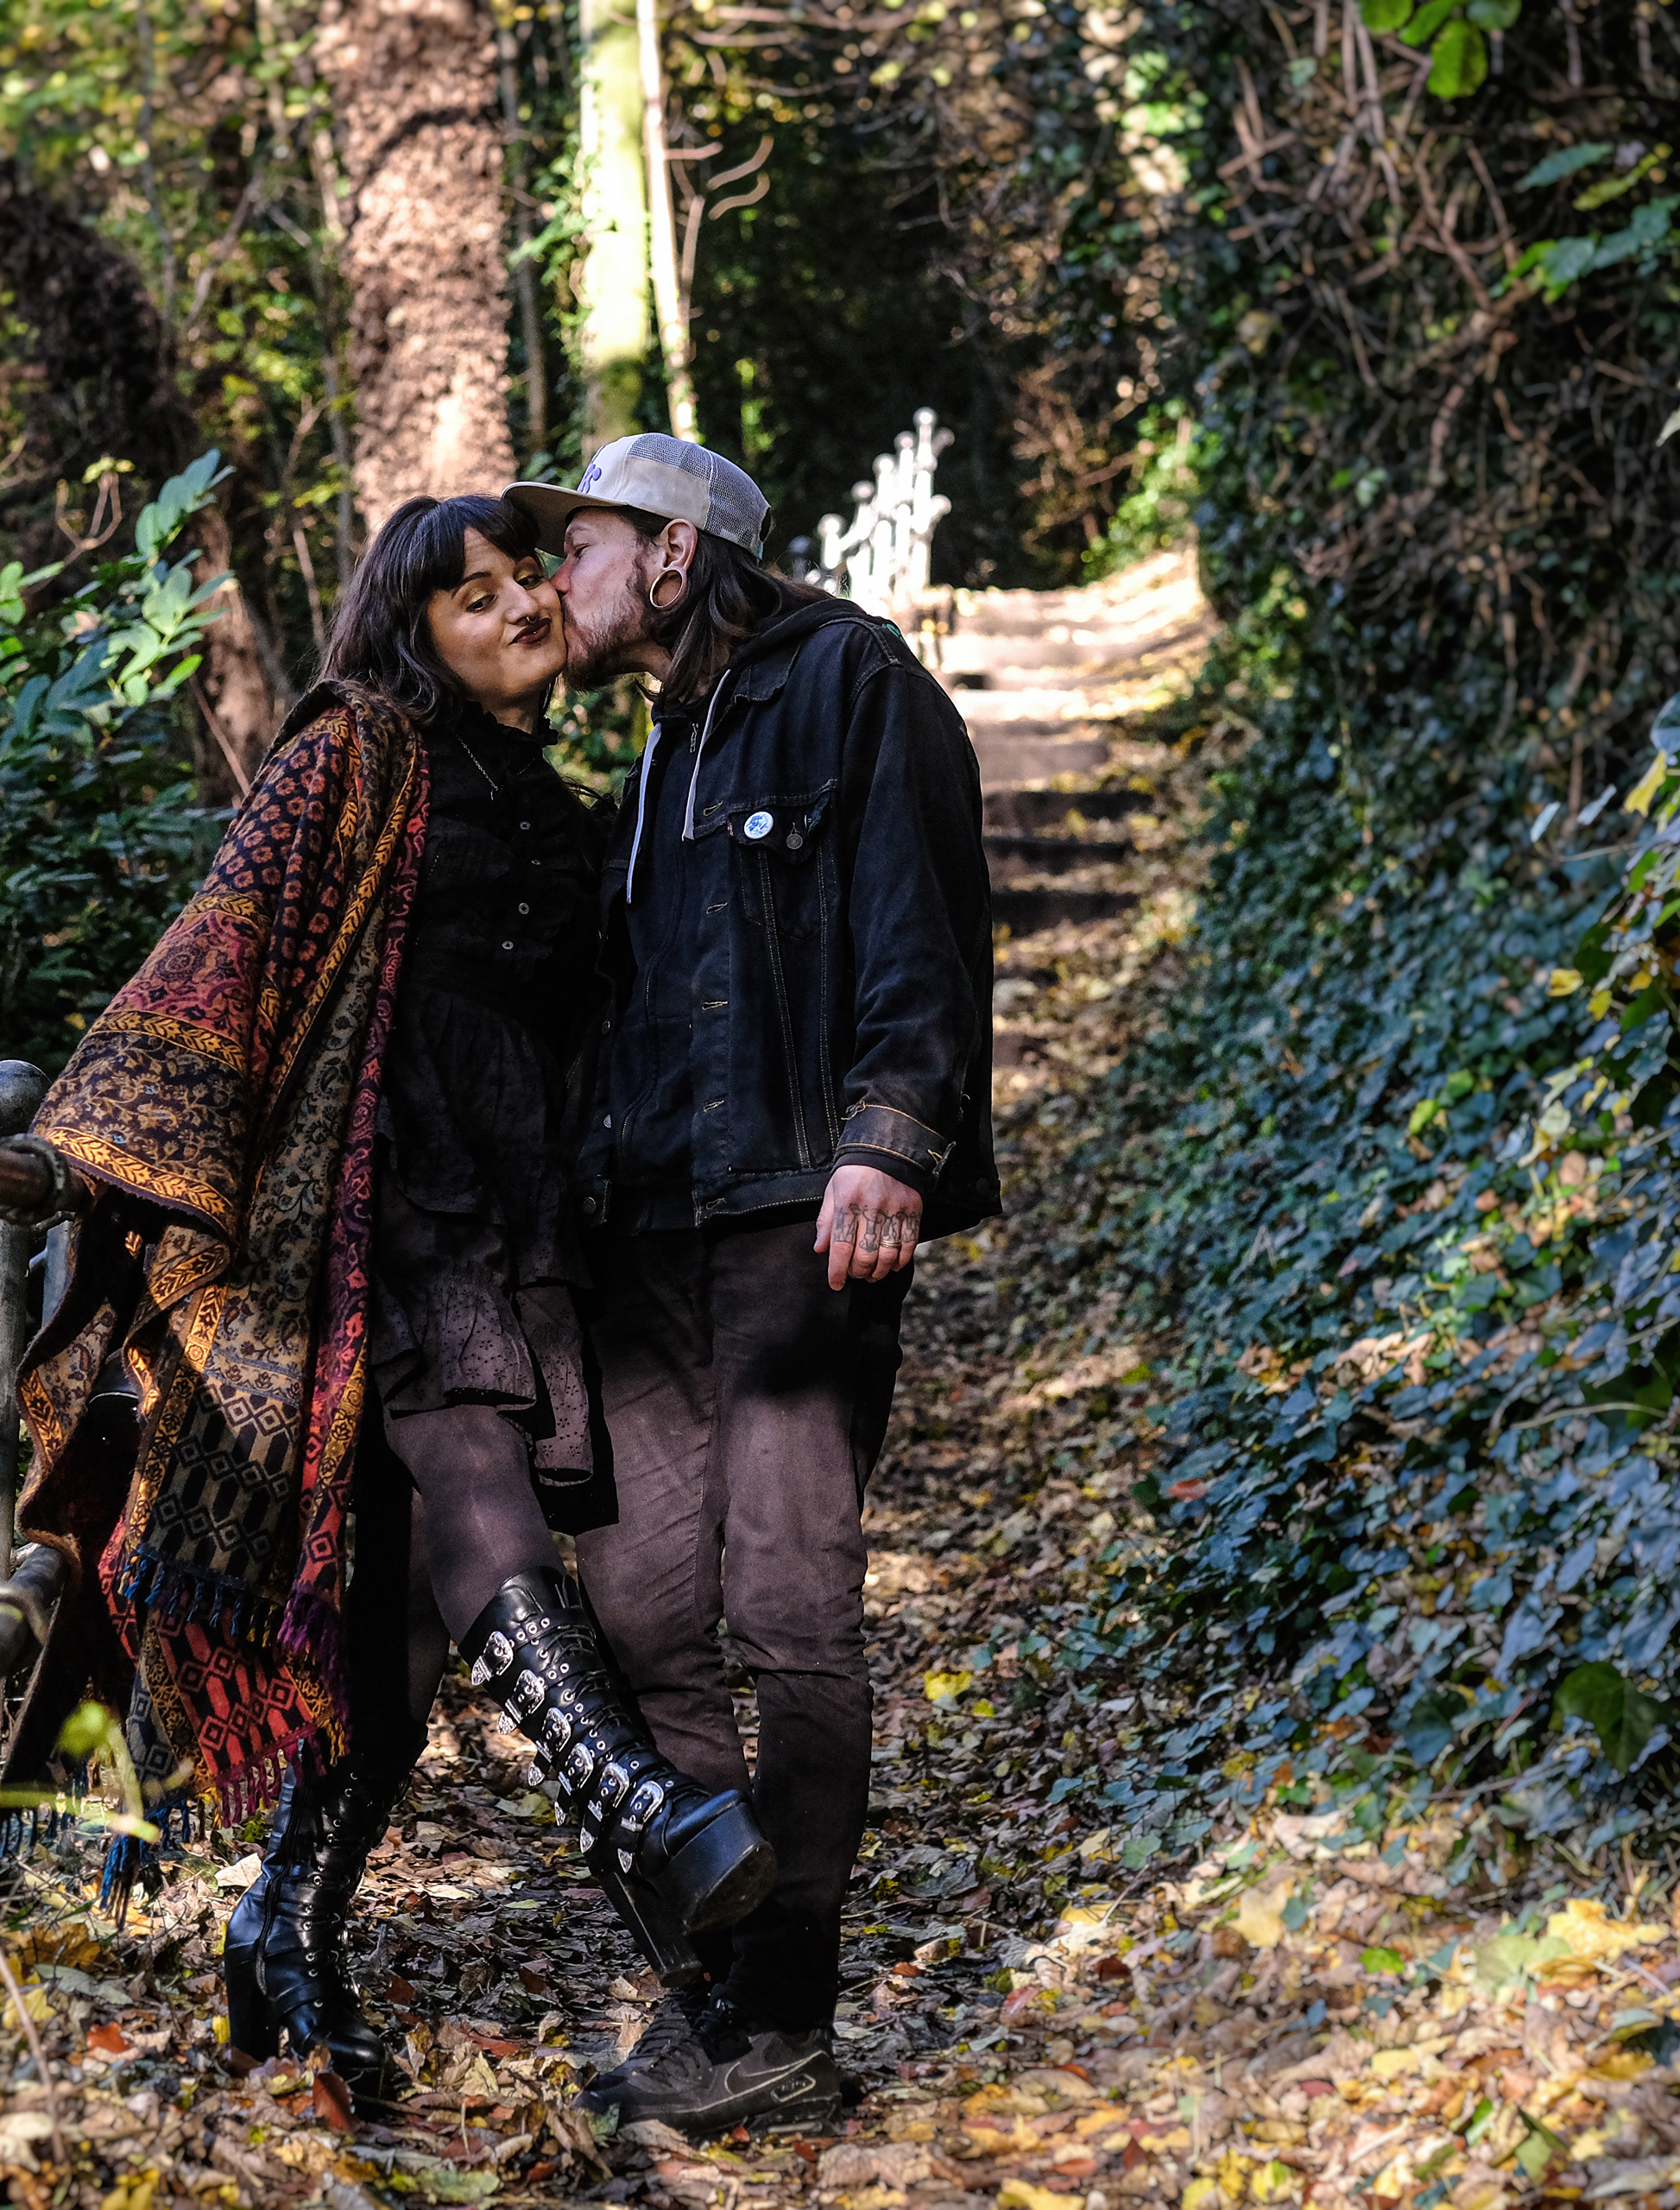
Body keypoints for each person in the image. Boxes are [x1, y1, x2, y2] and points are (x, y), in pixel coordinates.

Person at [9, 491, 774, 2105]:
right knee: (479, 1476)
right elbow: (226, 938)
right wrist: (136, 1145)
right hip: (363, 1227)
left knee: (406, 1620)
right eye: (472, 593)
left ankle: (280, 1935)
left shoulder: (571, 814)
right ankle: (645, 1810)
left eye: (525, 581)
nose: (516, 606)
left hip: (513, 1224)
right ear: (408, 628)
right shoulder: (355, 752)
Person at [504, 435, 998, 2132]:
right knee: (637, 1608)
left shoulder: (848, 682)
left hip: (801, 1218)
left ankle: (783, 2003)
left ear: (669, 552)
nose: (550, 582)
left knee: (792, 1608)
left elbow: (920, 921)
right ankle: (721, 1986)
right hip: (644, 1237)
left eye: (575, 547)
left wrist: (894, 1131)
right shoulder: (644, 765)